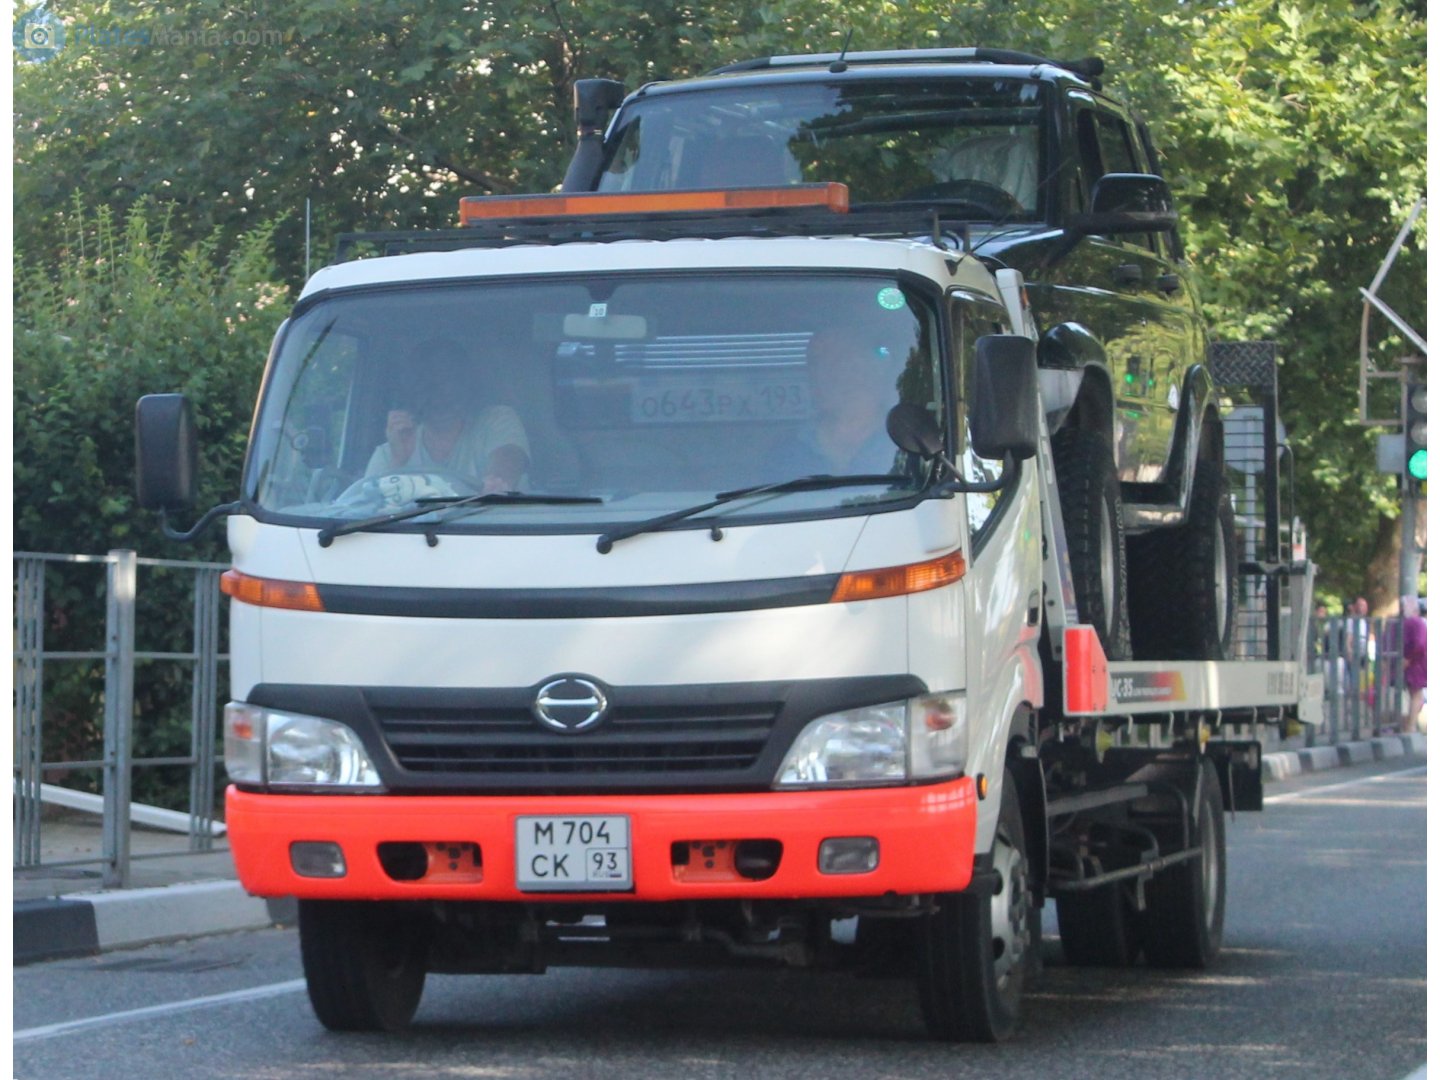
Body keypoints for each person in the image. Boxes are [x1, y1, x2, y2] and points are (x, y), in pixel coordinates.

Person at [366, 340, 529, 494]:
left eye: (448, 381)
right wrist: (398, 463)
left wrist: (496, 483)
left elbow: (509, 458)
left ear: (466, 385)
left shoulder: (496, 420)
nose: (441, 397)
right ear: (413, 393)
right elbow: (369, 511)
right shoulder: (389, 454)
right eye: (430, 386)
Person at [770, 328, 904, 478]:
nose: (824, 373)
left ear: (872, 369)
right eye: (816, 363)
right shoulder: (788, 453)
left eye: (840, 361)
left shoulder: (907, 442)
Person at [1401, 595, 1427, 734]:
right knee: (1417, 695)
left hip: (1412, 662)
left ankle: (1409, 724)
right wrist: (1409, 659)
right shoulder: (1418, 623)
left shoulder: (1406, 623)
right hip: (1417, 663)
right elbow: (1420, 644)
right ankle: (1410, 726)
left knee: (1415, 695)